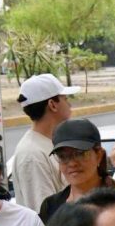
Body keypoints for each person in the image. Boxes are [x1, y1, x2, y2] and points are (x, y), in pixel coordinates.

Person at [39, 118, 115, 224]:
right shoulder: (51, 207)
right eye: (63, 156)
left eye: (80, 154)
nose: (72, 163)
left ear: (98, 155)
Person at [13, 74, 79, 212]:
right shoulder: (32, 155)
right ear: (52, 105)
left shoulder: (52, 142)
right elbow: (45, 214)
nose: (69, 105)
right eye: (65, 99)